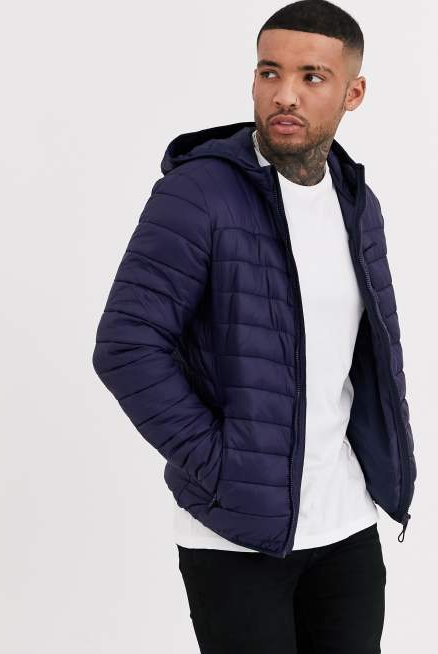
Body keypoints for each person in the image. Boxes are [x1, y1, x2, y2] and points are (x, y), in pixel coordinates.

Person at [92, 0, 417, 651]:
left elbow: (368, 355)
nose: (284, 94)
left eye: (311, 76)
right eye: (270, 72)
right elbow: (126, 346)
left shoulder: (357, 203)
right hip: (234, 536)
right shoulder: (198, 193)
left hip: (346, 524)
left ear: (352, 93)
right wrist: (220, 466)